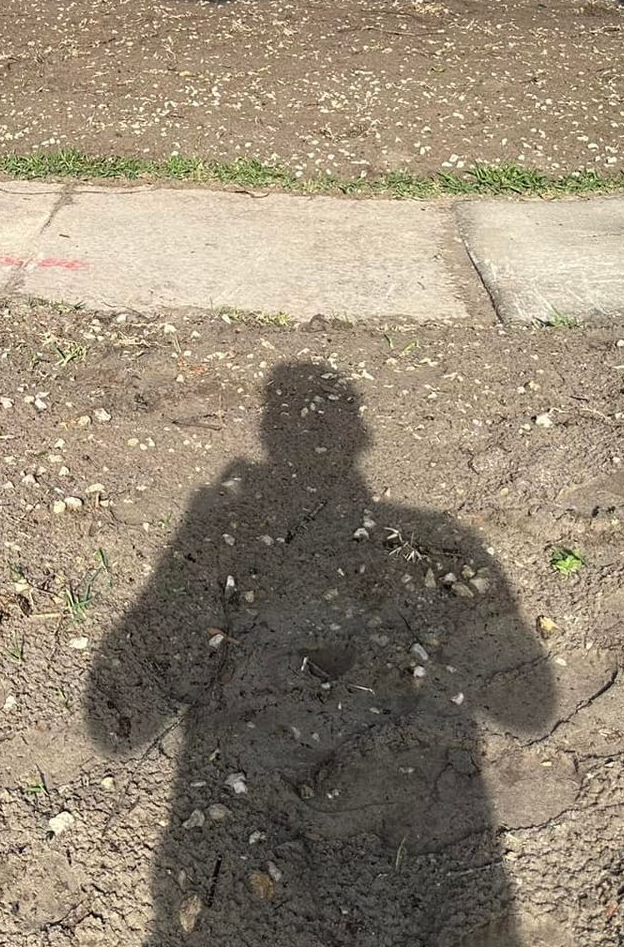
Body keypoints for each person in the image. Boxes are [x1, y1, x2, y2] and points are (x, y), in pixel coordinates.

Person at [86, 363, 555, 946]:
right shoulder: (440, 533)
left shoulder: (220, 515)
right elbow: (533, 710)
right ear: (364, 438)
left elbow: (116, 729)